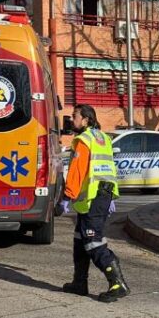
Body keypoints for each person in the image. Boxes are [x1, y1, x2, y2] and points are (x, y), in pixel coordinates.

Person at [61, 104, 131, 303]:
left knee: (93, 242)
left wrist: (66, 197)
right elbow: (108, 168)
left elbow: (77, 172)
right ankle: (79, 283)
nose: (71, 119)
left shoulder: (83, 140)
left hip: (94, 197)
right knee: (80, 239)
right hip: (101, 195)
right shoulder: (102, 138)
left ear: (86, 120)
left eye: (74, 116)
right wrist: (110, 197)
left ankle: (117, 283)